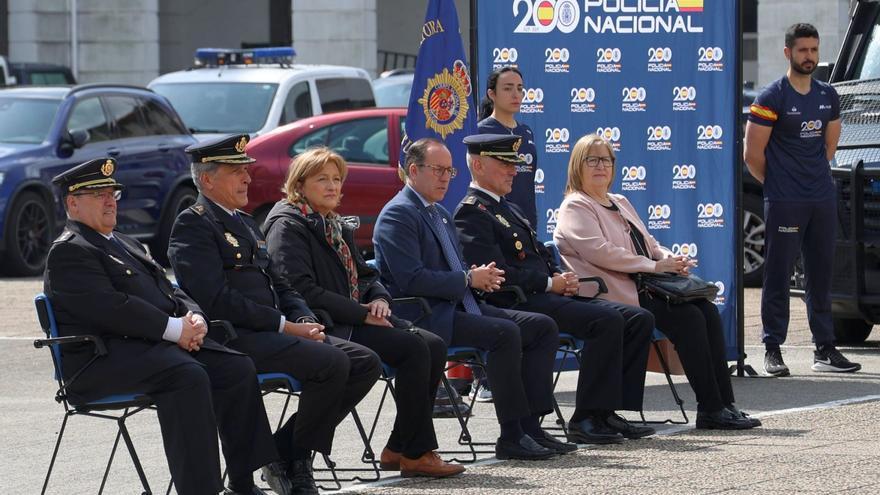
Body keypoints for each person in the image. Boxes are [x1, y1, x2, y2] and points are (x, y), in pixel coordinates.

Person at [43, 158, 283, 495]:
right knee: (187, 376)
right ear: (72, 203)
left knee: (235, 366)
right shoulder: (70, 251)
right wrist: (173, 330)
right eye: (99, 194)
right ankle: (200, 490)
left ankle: (242, 482)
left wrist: (194, 317)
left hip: (147, 348)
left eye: (113, 194)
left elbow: (171, 290)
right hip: (100, 361)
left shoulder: (125, 243)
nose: (110, 201)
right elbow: (113, 310)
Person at [167, 135, 381, 495]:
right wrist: (284, 325)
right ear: (207, 180)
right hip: (236, 336)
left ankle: (286, 451)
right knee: (331, 363)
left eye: (246, 172)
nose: (248, 179)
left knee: (364, 362)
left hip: (276, 331)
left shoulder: (246, 223)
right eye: (236, 172)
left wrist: (303, 317)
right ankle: (296, 464)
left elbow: (280, 283)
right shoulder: (194, 225)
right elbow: (215, 299)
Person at [261, 147, 464, 478]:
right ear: (300, 184)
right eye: (322, 179)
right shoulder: (288, 225)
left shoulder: (331, 222)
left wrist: (380, 298)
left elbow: (367, 274)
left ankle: (402, 448)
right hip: (326, 324)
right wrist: (360, 313)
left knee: (432, 344)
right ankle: (415, 451)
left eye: (337, 179)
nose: (332, 187)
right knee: (412, 348)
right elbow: (300, 289)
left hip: (354, 316)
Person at [373, 137, 574, 460]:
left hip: (456, 305)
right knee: (504, 333)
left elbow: (456, 267)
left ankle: (530, 425)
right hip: (424, 313)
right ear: (413, 170)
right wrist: (466, 279)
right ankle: (511, 435)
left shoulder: (437, 213)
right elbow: (411, 278)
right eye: (437, 170)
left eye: (449, 171)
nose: (445, 178)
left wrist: (480, 276)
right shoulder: (399, 214)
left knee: (540, 327)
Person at [454, 134, 656, 444]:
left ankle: (607, 411)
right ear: (478, 165)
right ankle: (585, 417)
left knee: (636, 318)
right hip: (519, 301)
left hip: (545, 295)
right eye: (504, 164)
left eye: (514, 165)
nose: (513, 171)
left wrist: (562, 276)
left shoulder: (508, 208)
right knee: (606, 321)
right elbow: (495, 274)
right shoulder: (473, 212)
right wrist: (550, 283)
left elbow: (541, 256)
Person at [553, 134, 761, 430]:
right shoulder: (575, 206)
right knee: (689, 318)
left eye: (606, 160)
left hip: (645, 286)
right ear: (578, 165)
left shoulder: (620, 201)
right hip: (612, 292)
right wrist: (653, 265)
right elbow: (601, 253)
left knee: (707, 310)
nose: (601, 166)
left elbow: (649, 243)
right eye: (592, 160)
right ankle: (710, 408)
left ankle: (723, 403)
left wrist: (669, 259)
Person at [744, 22, 860, 375]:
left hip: (821, 198)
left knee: (821, 274)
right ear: (788, 53)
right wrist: (780, 184)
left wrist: (809, 182)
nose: (809, 56)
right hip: (784, 200)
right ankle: (772, 348)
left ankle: (825, 349)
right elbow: (753, 156)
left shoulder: (828, 95)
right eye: (802, 50)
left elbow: (829, 146)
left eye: (813, 50)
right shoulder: (772, 97)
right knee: (778, 274)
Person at [478, 67, 538, 227]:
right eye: (507, 88)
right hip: (494, 221)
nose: (515, 94)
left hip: (526, 221)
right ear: (492, 94)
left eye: (519, 88)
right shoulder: (480, 131)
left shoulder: (526, 131)